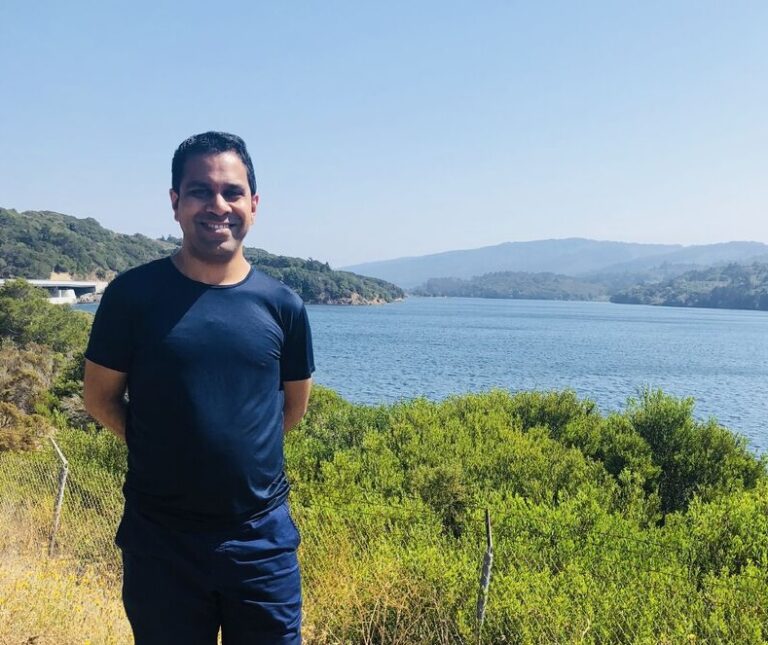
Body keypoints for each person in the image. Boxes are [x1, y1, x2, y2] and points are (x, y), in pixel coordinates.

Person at [83, 131, 314, 644]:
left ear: (254, 204)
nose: (218, 206)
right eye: (199, 191)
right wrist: (155, 442)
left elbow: (291, 409)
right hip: (160, 538)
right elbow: (98, 398)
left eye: (232, 192)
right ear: (175, 203)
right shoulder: (132, 296)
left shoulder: (283, 306)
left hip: (261, 541)